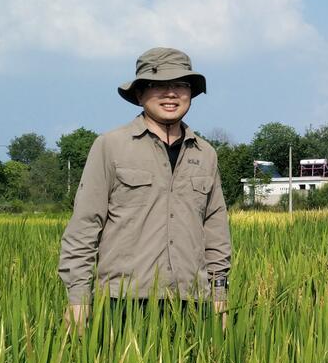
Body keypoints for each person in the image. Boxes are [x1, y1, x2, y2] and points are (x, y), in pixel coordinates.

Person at [59, 47, 231, 329]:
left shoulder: (206, 153)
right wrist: (78, 299)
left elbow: (216, 229)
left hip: (192, 302)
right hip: (122, 302)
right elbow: (85, 225)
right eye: (158, 85)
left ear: (191, 93)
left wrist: (219, 293)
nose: (171, 93)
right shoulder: (111, 146)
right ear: (139, 94)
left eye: (180, 85)